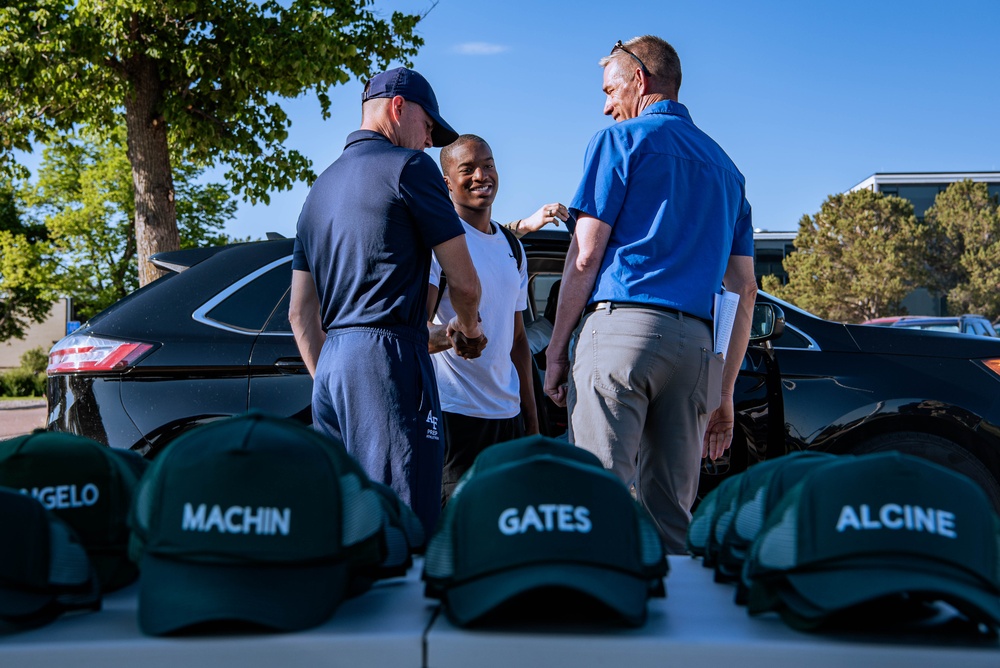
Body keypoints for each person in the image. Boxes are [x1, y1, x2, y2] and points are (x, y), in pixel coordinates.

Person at [543, 36, 758, 553]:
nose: (605, 104)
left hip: (622, 333)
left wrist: (555, 351)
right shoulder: (728, 169)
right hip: (695, 350)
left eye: (610, 89)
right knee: (672, 516)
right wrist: (724, 391)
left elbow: (585, 255)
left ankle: (597, 622)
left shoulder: (618, 142)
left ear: (640, 80)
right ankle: (674, 627)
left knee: (598, 502)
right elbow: (744, 290)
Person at [289, 67, 485, 535]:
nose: (429, 142)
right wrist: (470, 329)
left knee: (350, 525)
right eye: (428, 127)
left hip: (332, 370)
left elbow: (301, 314)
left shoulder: (319, 189)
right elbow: (464, 281)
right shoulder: (409, 167)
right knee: (406, 522)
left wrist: (338, 380)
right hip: (390, 363)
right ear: (398, 108)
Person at [427, 134, 541, 503]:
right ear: (447, 181)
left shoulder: (512, 246)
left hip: (507, 418)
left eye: (488, 164)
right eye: (468, 169)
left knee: (506, 534)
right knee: (457, 539)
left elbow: (519, 342)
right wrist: (451, 335)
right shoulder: (438, 243)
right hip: (454, 415)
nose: (481, 175)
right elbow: (414, 331)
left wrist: (532, 423)